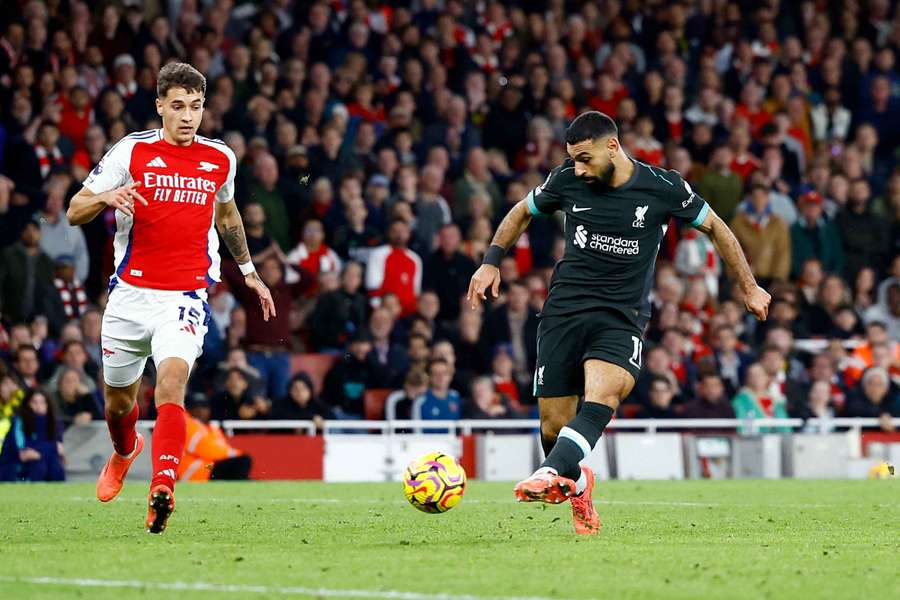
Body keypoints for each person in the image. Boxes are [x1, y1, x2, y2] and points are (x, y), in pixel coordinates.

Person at [468, 111, 770, 535]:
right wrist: (490, 263)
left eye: (585, 158)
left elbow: (717, 228)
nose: (578, 168)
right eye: (573, 159)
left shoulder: (663, 187)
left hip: (620, 317)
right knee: (555, 425)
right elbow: (521, 211)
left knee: (604, 393)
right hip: (563, 313)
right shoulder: (567, 180)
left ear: (613, 146)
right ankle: (577, 481)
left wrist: (749, 286)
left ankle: (546, 474)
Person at [65, 63, 275, 533]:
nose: (188, 117)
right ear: (160, 105)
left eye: (196, 107)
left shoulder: (220, 158)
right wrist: (108, 196)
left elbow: (228, 214)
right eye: (178, 106)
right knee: (119, 406)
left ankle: (163, 487)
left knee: (171, 386)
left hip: (184, 295)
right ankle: (125, 451)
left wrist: (250, 272)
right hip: (129, 296)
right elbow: (74, 210)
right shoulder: (131, 150)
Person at [178, 394, 252, 481]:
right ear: (188, 409)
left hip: (208, 466)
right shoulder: (187, 424)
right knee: (242, 461)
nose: (200, 410)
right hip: (196, 471)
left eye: (204, 407)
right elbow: (207, 450)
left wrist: (233, 455)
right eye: (195, 407)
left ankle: (244, 482)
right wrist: (236, 454)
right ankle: (243, 482)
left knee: (241, 463)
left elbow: (222, 447)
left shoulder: (210, 427)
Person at [0, 389, 65, 482]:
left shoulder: (54, 423)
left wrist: (49, 449)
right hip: (13, 465)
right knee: (37, 464)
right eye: (34, 402)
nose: (39, 406)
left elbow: (60, 450)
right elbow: (24, 452)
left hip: (44, 462)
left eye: (43, 402)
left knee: (55, 466)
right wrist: (53, 447)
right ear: (27, 404)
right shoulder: (19, 423)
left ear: (48, 405)